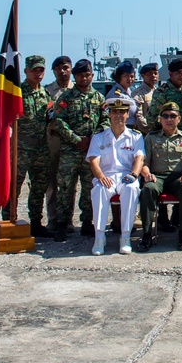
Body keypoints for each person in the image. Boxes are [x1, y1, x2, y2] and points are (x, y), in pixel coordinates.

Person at [52, 59, 108, 241]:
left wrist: (93, 139)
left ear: (91, 75)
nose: (84, 78)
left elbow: (105, 121)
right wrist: (76, 140)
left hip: (91, 152)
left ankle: (86, 223)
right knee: (66, 189)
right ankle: (62, 224)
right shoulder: (66, 98)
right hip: (70, 151)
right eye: (80, 75)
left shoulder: (99, 98)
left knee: (89, 188)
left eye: (87, 74)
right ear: (75, 77)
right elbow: (59, 122)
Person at [87, 98, 145, 255]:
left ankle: (125, 237)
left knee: (131, 189)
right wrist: (100, 176)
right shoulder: (99, 137)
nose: (118, 115)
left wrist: (134, 175)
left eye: (122, 112)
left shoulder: (136, 136)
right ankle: (99, 237)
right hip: (106, 175)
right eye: (114, 112)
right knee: (99, 190)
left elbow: (139, 159)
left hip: (127, 175)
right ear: (109, 114)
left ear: (127, 115)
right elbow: (93, 161)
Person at [136, 102, 182, 252]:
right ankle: (147, 234)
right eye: (165, 116)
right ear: (160, 119)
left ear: (179, 119)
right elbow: (144, 162)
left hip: (179, 178)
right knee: (148, 190)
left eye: (173, 116)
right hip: (157, 177)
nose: (169, 119)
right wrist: (147, 174)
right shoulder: (151, 138)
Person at [11, 55, 53, 237]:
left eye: (41, 70)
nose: (38, 73)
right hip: (21, 148)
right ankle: (9, 220)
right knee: (15, 187)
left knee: (39, 187)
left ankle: (36, 223)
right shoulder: (17, 92)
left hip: (41, 148)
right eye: (34, 70)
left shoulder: (45, 93)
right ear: (26, 70)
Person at [45, 55, 73, 232]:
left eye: (66, 68)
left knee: (70, 183)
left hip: (71, 141)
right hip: (53, 139)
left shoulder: (77, 90)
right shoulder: (47, 92)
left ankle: (68, 219)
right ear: (54, 71)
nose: (62, 72)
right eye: (58, 69)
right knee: (52, 181)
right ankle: (53, 219)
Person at [148, 58, 182, 133]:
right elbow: (152, 118)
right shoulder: (162, 92)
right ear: (170, 74)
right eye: (178, 73)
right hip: (167, 136)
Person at [105, 61, 139, 128]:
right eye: (126, 76)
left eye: (132, 76)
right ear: (119, 77)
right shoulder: (115, 95)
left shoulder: (129, 91)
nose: (129, 79)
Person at [131, 62, 159, 135]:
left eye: (155, 73)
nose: (153, 76)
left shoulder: (159, 92)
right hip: (145, 134)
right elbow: (138, 117)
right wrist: (153, 130)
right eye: (149, 74)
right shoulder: (138, 93)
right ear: (143, 76)